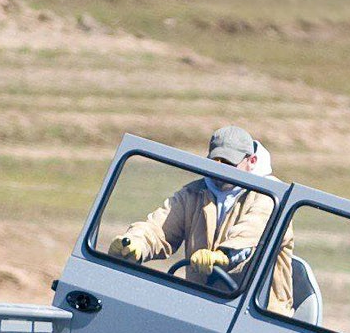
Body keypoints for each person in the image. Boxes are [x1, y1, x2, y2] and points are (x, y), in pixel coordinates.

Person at [106, 126, 294, 311]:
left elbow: (253, 231)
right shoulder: (193, 193)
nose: (220, 169)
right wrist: (136, 243)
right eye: (215, 160)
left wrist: (223, 255)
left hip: (258, 312)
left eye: (228, 163)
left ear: (251, 161)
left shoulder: (272, 196)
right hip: (202, 305)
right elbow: (159, 227)